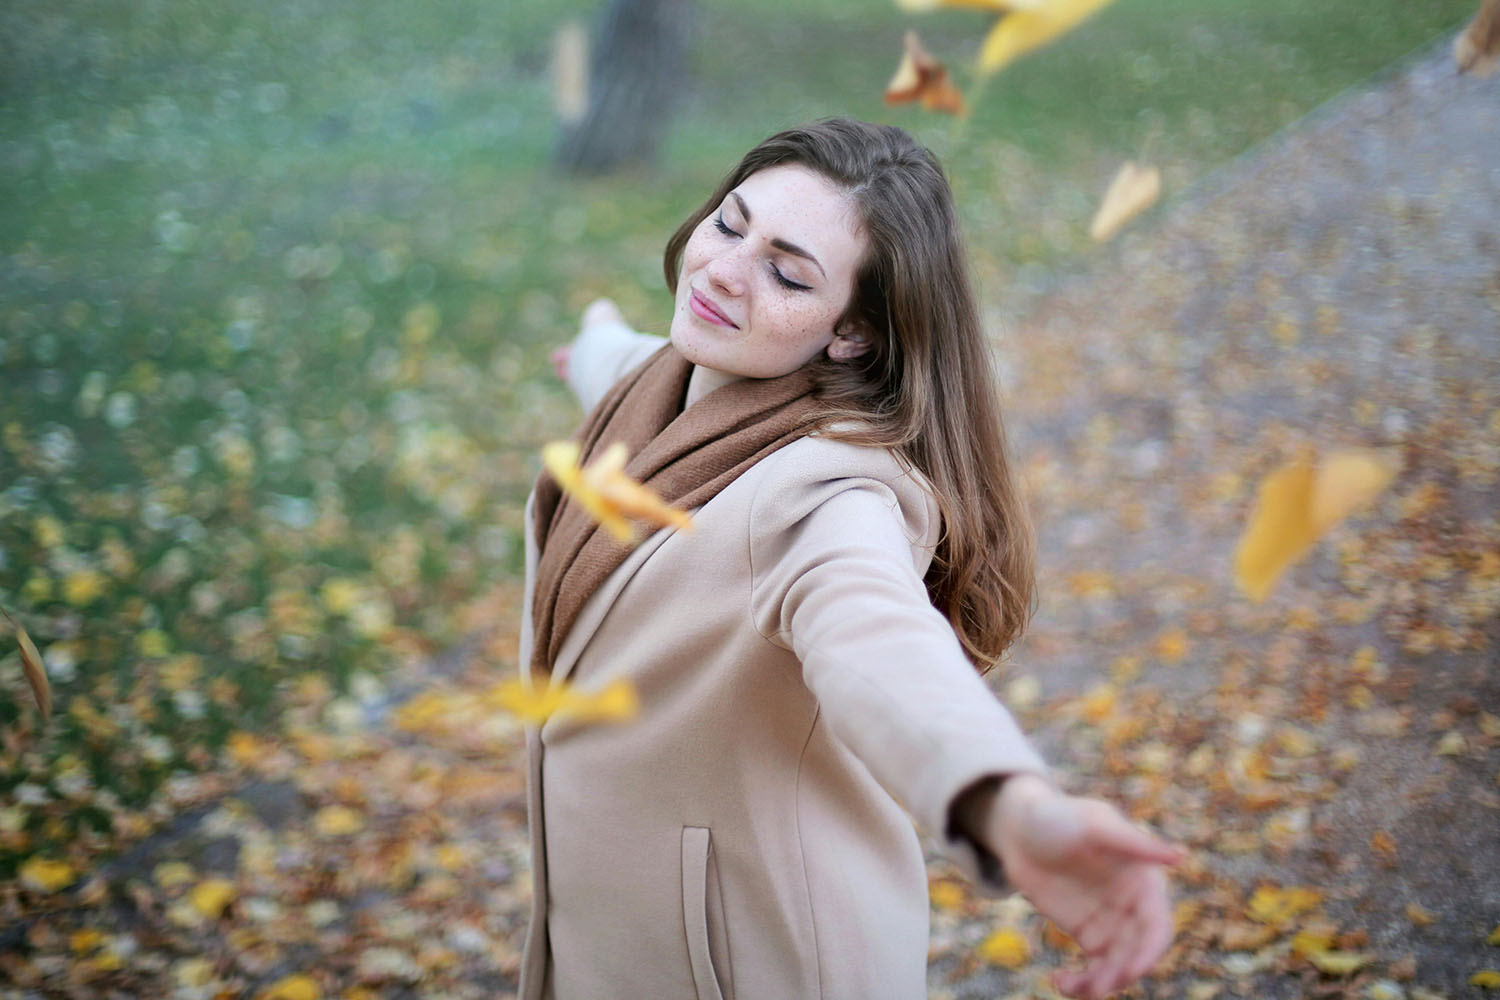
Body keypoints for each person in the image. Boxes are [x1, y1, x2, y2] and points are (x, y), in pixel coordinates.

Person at [520, 118, 1183, 1000]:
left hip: (759, 962)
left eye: (788, 272)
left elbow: (880, 640)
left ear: (852, 337)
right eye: (730, 224)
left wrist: (1010, 806)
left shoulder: (829, 497)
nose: (723, 270)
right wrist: (594, 341)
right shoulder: (660, 382)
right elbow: (624, 365)